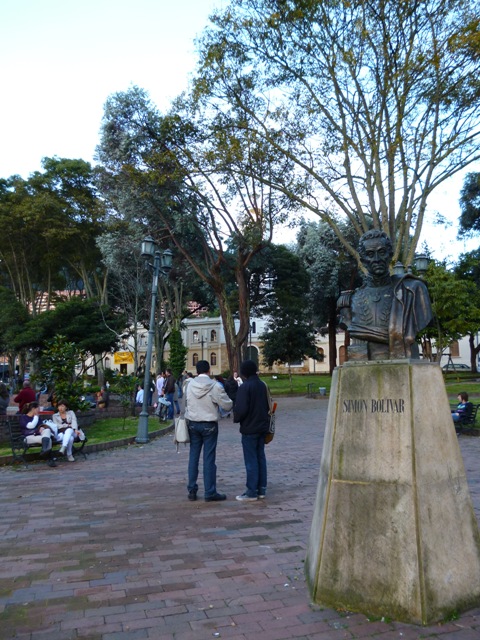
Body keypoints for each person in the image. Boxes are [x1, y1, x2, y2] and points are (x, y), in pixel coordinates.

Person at [338, 230, 433, 360]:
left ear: (390, 255)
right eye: (370, 254)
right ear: (363, 260)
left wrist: (367, 333)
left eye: (382, 252)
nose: (377, 259)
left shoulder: (413, 290)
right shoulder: (351, 300)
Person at [184, 360, 233, 502]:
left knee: (193, 456)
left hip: (193, 423)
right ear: (209, 370)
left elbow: (185, 403)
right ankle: (210, 492)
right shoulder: (215, 386)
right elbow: (227, 405)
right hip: (209, 424)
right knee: (209, 458)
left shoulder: (189, 384)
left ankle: (192, 490)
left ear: (196, 370)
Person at [233, 360, 270, 501]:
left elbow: (241, 409)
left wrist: (236, 417)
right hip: (262, 426)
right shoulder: (262, 385)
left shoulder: (245, 387)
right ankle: (261, 488)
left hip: (249, 427)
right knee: (260, 456)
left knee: (251, 459)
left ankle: (251, 491)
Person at [19, 401, 56, 466]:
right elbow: (30, 426)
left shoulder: (38, 418)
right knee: (48, 439)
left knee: (47, 431)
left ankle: (44, 450)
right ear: (33, 409)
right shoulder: (24, 418)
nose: (39, 410)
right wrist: (36, 417)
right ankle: (49, 458)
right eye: (38, 409)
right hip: (28, 437)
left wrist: (42, 428)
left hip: (38, 436)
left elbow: (41, 425)